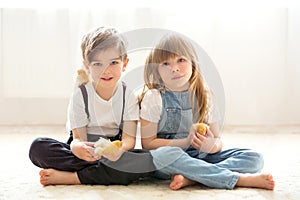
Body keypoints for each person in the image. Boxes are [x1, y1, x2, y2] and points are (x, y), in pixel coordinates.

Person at [139, 33, 275, 190]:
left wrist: (212, 146)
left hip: (201, 156)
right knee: (163, 155)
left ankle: (193, 178)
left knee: (255, 158)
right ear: (157, 71)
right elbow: (148, 144)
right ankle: (236, 179)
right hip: (172, 160)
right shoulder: (154, 97)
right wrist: (184, 142)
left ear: (193, 63)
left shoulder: (205, 95)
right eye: (165, 63)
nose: (175, 68)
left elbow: (217, 139)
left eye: (181, 60)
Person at [29, 26, 155, 186]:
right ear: (87, 66)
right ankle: (101, 172)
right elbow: (77, 138)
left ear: (124, 63)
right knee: (37, 147)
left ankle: (73, 177)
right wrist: (77, 148)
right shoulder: (80, 94)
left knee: (148, 160)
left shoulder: (128, 96)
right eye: (97, 64)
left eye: (113, 63)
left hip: (113, 150)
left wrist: (120, 151)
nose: (106, 71)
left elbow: (129, 140)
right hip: (84, 149)